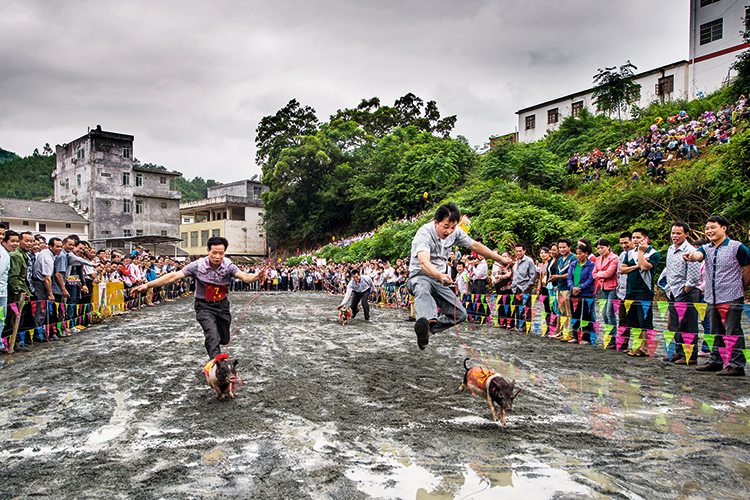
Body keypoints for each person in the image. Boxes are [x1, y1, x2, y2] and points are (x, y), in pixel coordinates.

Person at [134, 236, 266, 360]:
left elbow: (245, 277)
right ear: (208, 251)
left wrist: (256, 276)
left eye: (221, 253)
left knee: (224, 338)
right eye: (214, 252)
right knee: (212, 335)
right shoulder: (197, 265)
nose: (217, 256)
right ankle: (216, 365)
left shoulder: (228, 266)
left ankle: (213, 343)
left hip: (222, 306)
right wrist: (147, 285)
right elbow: (173, 276)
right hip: (204, 306)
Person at [407, 202, 511, 350]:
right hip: (420, 275)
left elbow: (475, 246)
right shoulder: (424, 233)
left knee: (460, 314)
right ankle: (425, 320)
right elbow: (424, 262)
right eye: (446, 226)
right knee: (423, 289)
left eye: (453, 227)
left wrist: (500, 259)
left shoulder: (455, 232)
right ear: (436, 222)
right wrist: (440, 275)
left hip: (439, 278)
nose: (450, 231)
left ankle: (426, 330)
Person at [684, 216, 750, 376]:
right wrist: (692, 256)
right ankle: (715, 361)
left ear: (724, 228)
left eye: (713, 227)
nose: (709, 231)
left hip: (731, 295)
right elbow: (698, 255)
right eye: (707, 228)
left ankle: (736, 365)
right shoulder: (706, 248)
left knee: (732, 330)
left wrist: (741, 289)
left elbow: (747, 269)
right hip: (711, 296)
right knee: (714, 330)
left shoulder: (738, 247)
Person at [659, 222, 701, 364]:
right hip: (672, 291)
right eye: (673, 233)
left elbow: (694, 277)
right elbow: (669, 270)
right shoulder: (671, 249)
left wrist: (684, 291)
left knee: (688, 324)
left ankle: (690, 356)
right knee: (676, 324)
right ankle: (680, 351)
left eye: (678, 233)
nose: (674, 236)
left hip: (686, 292)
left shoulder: (690, 250)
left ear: (686, 234)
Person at [621, 228, 661, 357]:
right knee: (633, 320)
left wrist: (640, 253)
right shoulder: (629, 253)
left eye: (638, 237)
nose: (635, 240)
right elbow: (622, 269)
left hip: (644, 291)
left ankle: (645, 347)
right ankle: (636, 345)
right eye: (634, 238)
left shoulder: (654, 253)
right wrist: (636, 266)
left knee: (644, 320)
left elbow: (644, 266)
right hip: (630, 290)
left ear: (645, 238)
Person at [567, 244, 595, 344]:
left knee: (585, 316)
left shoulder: (591, 265)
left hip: (586, 293)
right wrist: (572, 287)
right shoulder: (573, 264)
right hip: (573, 293)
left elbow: (590, 279)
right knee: (575, 315)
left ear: (586, 253)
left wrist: (580, 288)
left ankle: (586, 337)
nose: (578, 256)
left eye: (580, 254)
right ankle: (575, 336)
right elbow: (569, 277)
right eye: (577, 254)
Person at [593, 238, 618, 329]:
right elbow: (593, 274)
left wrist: (599, 274)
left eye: (602, 248)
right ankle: (608, 336)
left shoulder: (614, 258)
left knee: (609, 313)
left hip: (613, 287)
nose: (600, 250)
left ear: (608, 247)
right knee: (603, 313)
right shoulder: (598, 259)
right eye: (598, 248)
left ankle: (612, 338)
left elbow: (609, 273)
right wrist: (601, 274)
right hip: (603, 287)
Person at [510, 244, 536, 331]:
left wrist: (528, 287)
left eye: (520, 251)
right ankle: (518, 325)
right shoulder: (515, 261)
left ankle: (525, 326)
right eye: (517, 251)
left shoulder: (529, 261)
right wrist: (513, 286)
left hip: (525, 286)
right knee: (517, 307)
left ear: (524, 251)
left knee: (526, 307)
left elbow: (533, 275)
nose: (518, 253)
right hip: (516, 286)